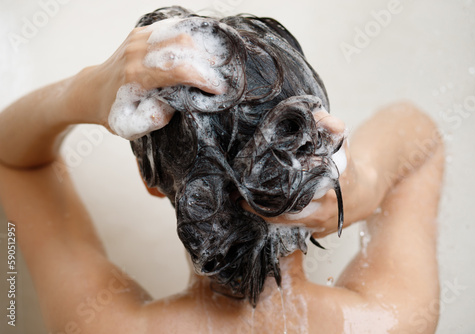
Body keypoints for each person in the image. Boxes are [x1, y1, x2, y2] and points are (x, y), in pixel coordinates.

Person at [0, 7, 444, 334]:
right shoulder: (391, 318)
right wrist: (361, 182)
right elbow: (420, 137)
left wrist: (88, 88)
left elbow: (11, 160)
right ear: (314, 160)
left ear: (152, 182)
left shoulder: (106, 326)